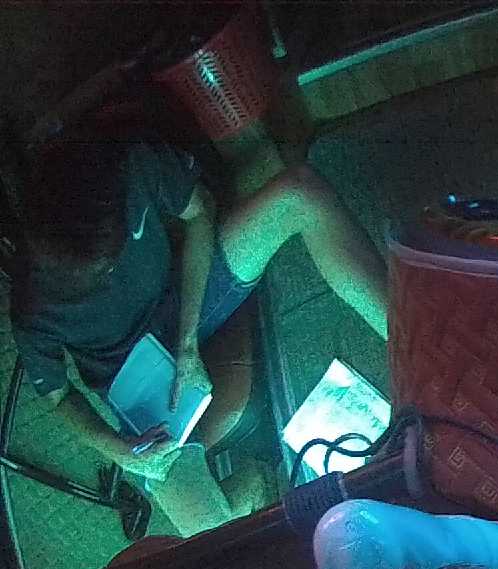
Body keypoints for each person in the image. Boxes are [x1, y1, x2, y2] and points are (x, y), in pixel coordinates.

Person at [11, 66, 389, 492]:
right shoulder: (30, 309)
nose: (112, 273)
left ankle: (412, 339)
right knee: (199, 518)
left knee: (301, 191)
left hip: (182, 295)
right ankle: (253, 487)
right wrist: (120, 452)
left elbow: (198, 211)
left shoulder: (127, 165)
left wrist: (188, 343)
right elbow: (58, 395)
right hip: (130, 375)